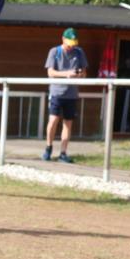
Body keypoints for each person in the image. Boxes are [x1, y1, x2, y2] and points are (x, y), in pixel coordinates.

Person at [42, 28, 88, 164]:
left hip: (72, 94)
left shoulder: (79, 52)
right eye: (69, 43)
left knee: (68, 124)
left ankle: (63, 152)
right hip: (57, 92)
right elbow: (50, 73)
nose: (71, 46)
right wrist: (67, 73)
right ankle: (48, 148)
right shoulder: (54, 51)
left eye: (73, 43)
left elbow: (84, 73)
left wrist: (78, 75)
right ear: (63, 39)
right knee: (53, 121)